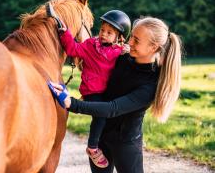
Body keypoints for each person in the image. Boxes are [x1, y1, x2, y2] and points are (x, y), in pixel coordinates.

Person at [49, 16, 182, 173]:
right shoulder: (122, 58)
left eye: (136, 40)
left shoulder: (150, 85)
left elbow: (113, 108)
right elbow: (95, 62)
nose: (129, 42)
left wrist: (71, 103)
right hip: (101, 138)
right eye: (131, 36)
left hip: (125, 145)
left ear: (153, 47)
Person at [57, 10, 131, 168]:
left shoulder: (119, 51)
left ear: (119, 37)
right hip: (92, 91)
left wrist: (127, 51)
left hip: (107, 92)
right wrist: (65, 34)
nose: (104, 34)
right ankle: (92, 147)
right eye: (102, 30)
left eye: (109, 33)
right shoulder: (90, 45)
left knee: (109, 116)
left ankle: (113, 146)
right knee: (100, 116)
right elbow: (73, 50)